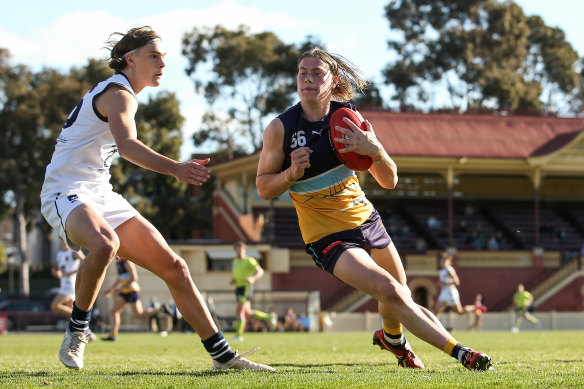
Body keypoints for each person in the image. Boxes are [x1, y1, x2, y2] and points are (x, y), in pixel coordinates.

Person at [39, 26, 273, 372]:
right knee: (105, 243)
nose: (162, 63)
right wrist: (176, 168)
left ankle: (224, 357)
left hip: (99, 192)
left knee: (176, 268)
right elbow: (127, 145)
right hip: (65, 189)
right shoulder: (120, 93)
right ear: (130, 60)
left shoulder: (121, 92)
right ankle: (77, 330)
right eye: (154, 56)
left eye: (163, 56)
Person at [255, 46, 491, 371]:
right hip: (327, 235)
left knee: (399, 295)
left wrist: (375, 149)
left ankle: (392, 339)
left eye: (316, 73)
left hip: (367, 220)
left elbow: (390, 180)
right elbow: (264, 187)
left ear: (332, 79)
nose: (307, 79)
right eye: (302, 72)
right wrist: (290, 174)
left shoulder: (348, 119)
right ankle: (463, 354)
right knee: (390, 290)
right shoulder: (281, 129)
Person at [101, 255, 171, 341]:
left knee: (139, 315)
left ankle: (160, 309)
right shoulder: (119, 264)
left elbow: (134, 278)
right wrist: (111, 289)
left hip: (132, 291)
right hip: (124, 292)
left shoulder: (128, 262)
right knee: (114, 311)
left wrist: (121, 288)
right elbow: (120, 278)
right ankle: (113, 335)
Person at [50, 239, 96, 342]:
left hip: (70, 285)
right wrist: (57, 273)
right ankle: (88, 332)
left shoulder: (74, 252)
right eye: (61, 238)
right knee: (73, 311)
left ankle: (82, 321)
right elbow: (59, 270)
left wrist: (74, 271)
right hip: (63, 284)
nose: (63, 240)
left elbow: (85, 261)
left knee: (55, 306)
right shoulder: (59, 254)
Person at [230, 241, 273, 341]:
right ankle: (269, 317)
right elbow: (237, 274)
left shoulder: (249, 261)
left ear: (245, 250)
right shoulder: (234, 262)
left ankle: (238, 335)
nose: (239, 251)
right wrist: (233, 279)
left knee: (239, 311)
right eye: (237, 249)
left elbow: (260, 271)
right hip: (238, 288)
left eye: (241, 249)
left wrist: (253, 278)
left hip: (246, 287)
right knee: (248, 313)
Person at [434, 254, 472, 318]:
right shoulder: (442, 271)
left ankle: (473, 307)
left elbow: (457, 282)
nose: (442, 262)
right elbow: (442, 282)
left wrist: (445, 284)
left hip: (451, 293)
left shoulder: (449, 270)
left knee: (460, 312)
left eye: (444, 261)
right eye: (441, 261)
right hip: (444, 293)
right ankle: (433, 327)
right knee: (436, 312)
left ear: (448, 262)